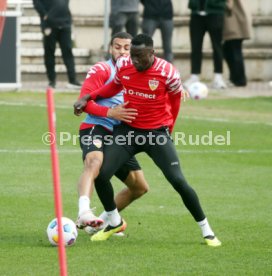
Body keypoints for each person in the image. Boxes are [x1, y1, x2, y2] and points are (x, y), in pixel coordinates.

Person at [74, 34, 222, 247]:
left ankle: (206, 230)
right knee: (102, 174)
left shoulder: (167, 72)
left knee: (178, 181)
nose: (134, 60)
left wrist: (169, 129)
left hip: (156, 134)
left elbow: (174, 101)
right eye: (132, 55)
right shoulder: (125, 64)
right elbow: (113, 87)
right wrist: (89, 97)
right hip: (128, 132)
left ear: (152, 54)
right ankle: (114, 221)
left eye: (139, 57)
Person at [75, 32, 149, 234]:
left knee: (139, 187)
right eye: (118, 47)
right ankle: (84, 212)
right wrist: (110, 112)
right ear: (110, 48)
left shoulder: (138, 73)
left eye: (127, 48)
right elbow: (84, 102)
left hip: (121, 134)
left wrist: (176, 91)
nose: (122, 51)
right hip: (96, 127)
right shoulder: (101, 69)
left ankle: (99, 223)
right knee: (94, 163)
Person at [33, 0, 81, 89]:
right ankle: (52, 81)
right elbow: (36, 2)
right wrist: (45, 15)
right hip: (49, 25)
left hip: (65, 23)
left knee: (68, 52)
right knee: (49, 53)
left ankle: (72, 80)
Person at [185, 0, 227, 89]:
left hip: (215, 13)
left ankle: (218, 77)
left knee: (217, 47)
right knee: (195, 46)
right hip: (196, 14)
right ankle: (194, 76)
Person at [223, 0, 252, 86]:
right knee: (229, 50)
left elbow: (229, 5)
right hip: (236, 22)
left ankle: (239, 80)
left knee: (234, 51)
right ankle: (235, 78)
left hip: (234, 23)